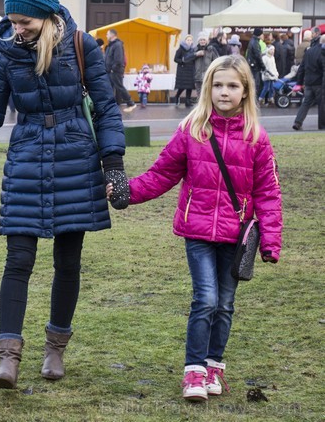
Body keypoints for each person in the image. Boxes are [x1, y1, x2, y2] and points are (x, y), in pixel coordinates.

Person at [0, 0, 128, 389]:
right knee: (18, 259)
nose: (16, 28)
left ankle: (55, 348)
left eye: (24, 21)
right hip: (26, 156)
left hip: (75, 158)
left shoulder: (81, 47)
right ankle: (8, 357)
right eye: (12, 21)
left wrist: (112, 164)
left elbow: (107, 109)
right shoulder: (5, 54)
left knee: (68, 261)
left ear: (45, 16)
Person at [109, 54, 282, 402]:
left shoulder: (256, 137)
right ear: (207, 89)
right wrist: (129, 192)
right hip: (198, 231)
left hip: (236, 236)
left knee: (225, 304)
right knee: (205, 299)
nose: (224, 92)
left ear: (246, 90)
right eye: (217, 85)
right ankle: (194, 372)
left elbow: (268, 193)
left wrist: (271, 242)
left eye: (232, 85)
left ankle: (214, 365)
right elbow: (162, 174)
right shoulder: (193, 129)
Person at [292, 34, 325, 131]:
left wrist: (299, 82)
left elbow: (301, 68)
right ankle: (322, 125)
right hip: (319, 83)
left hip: (308, 82)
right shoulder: (322, 53)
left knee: (306, 103)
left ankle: (297, 122)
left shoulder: (309, 51)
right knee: (322, 104)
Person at [105, 28, 137, 112]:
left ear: (112, 35)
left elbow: (118, 59)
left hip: (115, 71)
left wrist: (113, 69)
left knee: (119, 87)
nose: (106, 36)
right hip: (110, 71)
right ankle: (110, 106)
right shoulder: (111, 45)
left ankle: (131, 103)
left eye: (107, 34)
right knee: (110, 88)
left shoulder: (117, 45)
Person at [173, 34, 196, 107]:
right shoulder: (181, 49)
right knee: (182, 86)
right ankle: (177, 96)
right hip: (183, 70)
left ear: (192, 41)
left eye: (190, 40)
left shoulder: (193, 49)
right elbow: (176, 59)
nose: (189, 41)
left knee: (190, 86)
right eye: (187, 40)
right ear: (185, 41)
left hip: (190, 69)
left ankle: (187, 101)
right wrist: (182, 61)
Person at [246, 28, 266, 96]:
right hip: (255, 67)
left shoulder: (252, 41)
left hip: (252, 65)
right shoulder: (255, 43)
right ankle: (253, 101)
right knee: (255, 85)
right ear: (259, 34)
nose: (263, 35)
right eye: (262, 34)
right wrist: (263, 66)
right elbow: (258, 56)